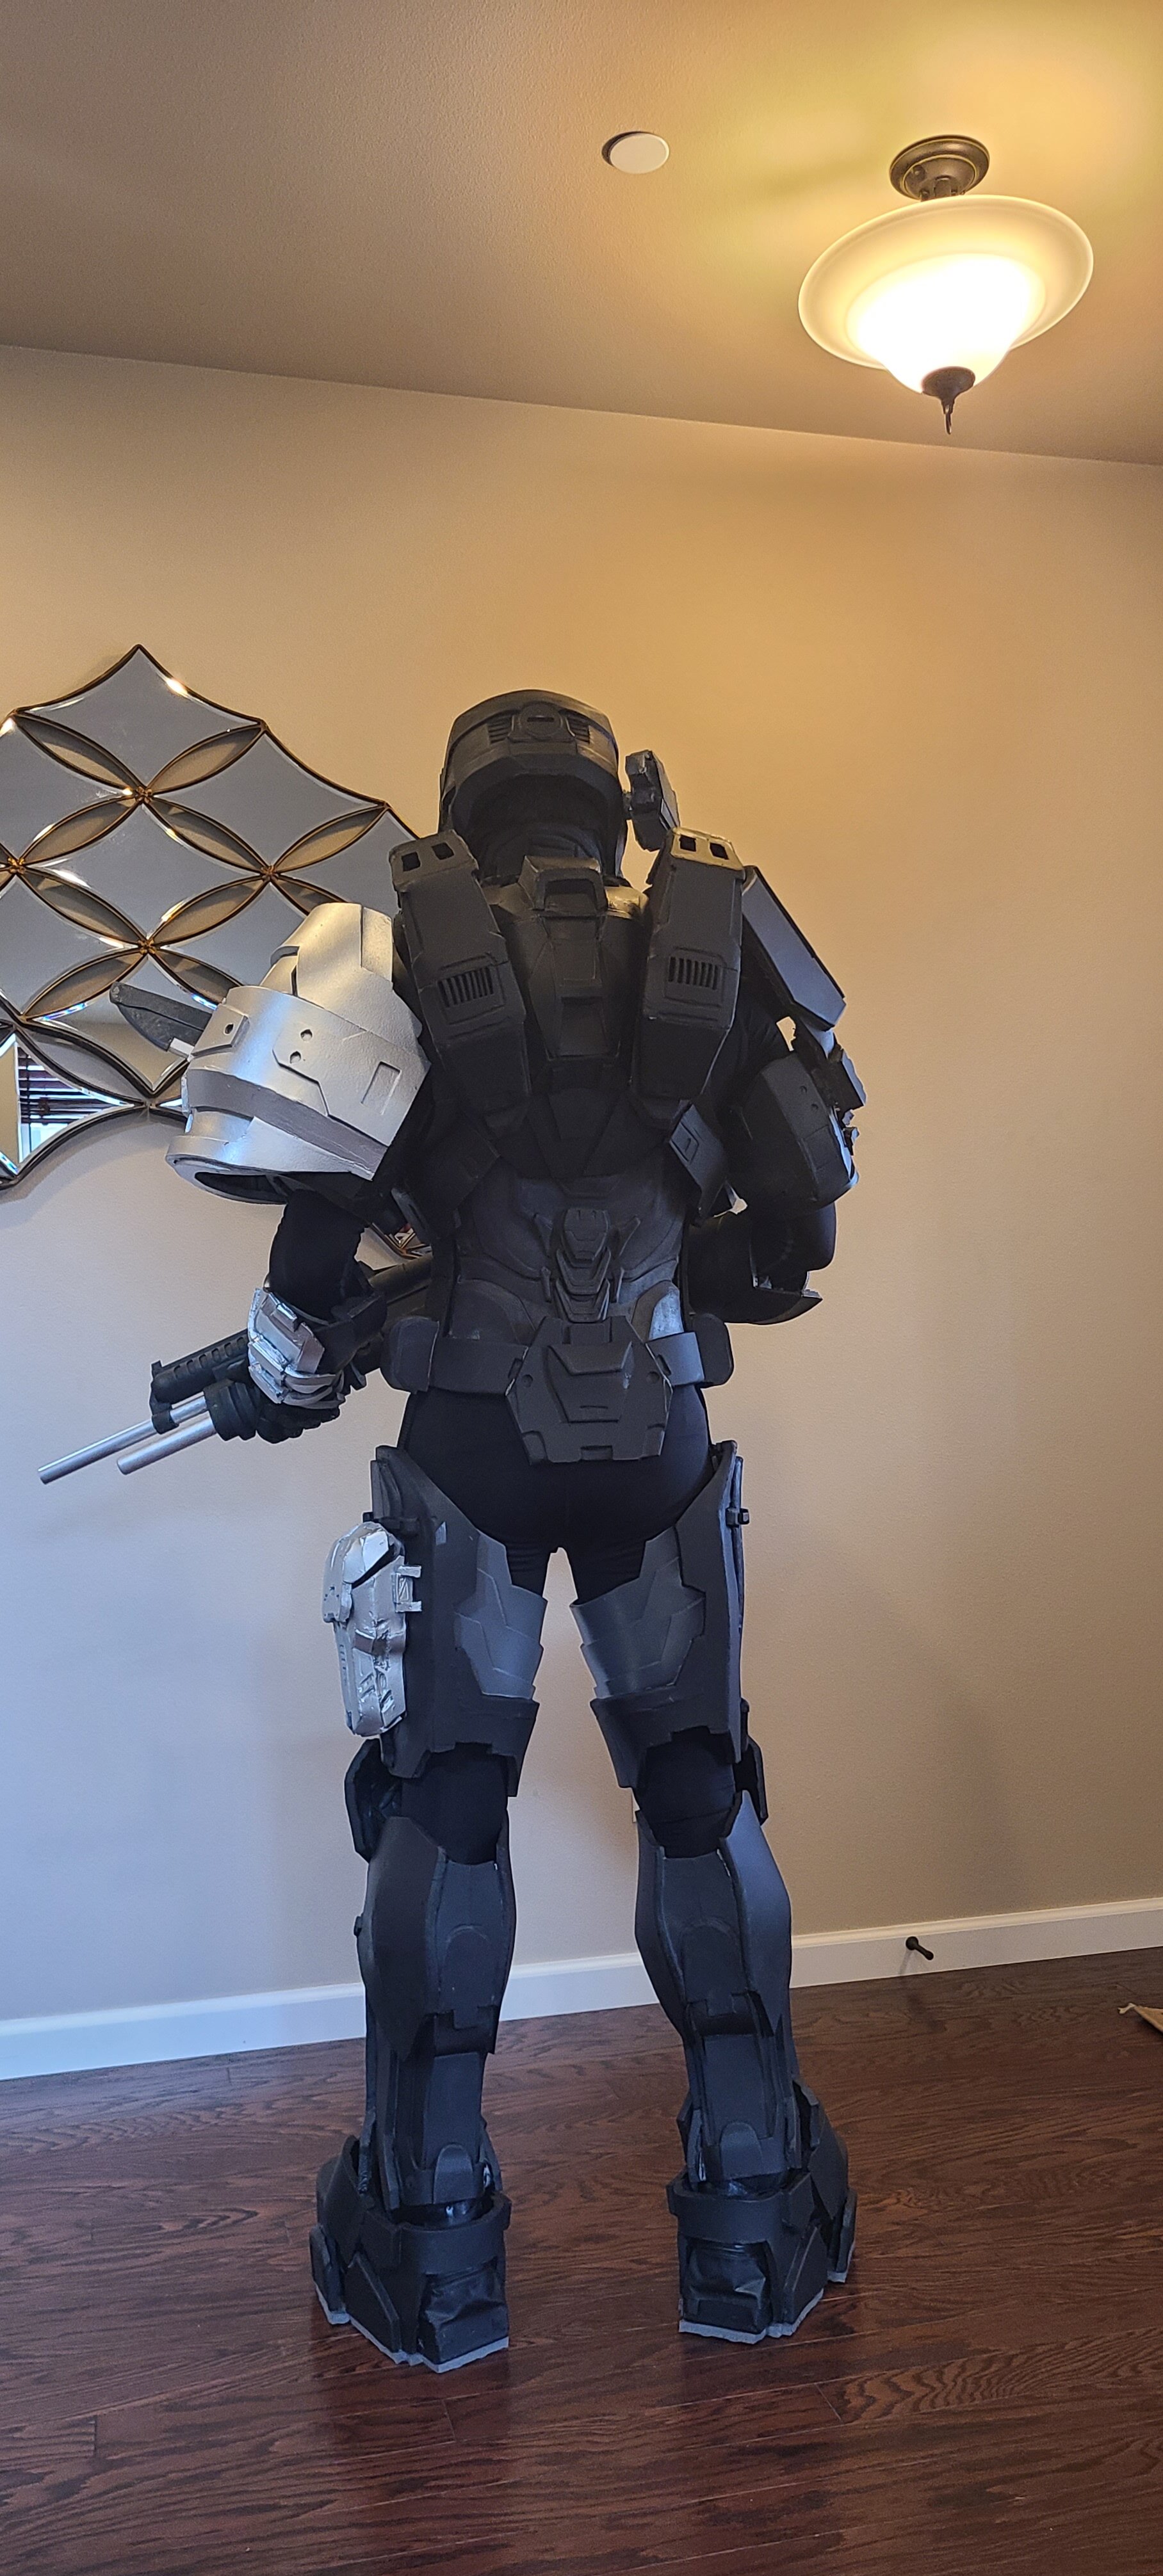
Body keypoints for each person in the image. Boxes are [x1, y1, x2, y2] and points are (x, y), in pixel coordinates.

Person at [169, 690, 863, 2371]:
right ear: (612, 808)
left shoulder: (391, 950)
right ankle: (753, 2220)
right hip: (655, 1441)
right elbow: (799, 1232)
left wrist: (299, 1351)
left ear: (462, 810)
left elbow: (319, 1227)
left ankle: (431, 2244)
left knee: (446, 1800)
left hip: (471, 1444)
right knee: (696, 1794)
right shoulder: (718, 936)